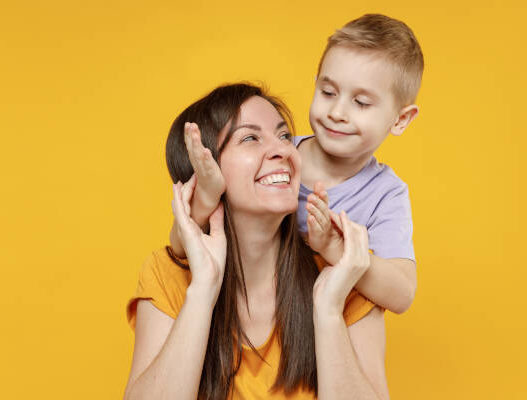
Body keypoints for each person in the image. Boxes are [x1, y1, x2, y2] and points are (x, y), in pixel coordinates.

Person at [125, 83, 389, 399]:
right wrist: (203, 290)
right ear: (203, 170)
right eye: (250, 138)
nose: (282, 149)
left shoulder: (344, 275)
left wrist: (329, 309)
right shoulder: (168, 276)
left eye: (282, 136)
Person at [168, 14, 423, 314]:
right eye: (328, 93)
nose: (337, 112)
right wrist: (207, 196)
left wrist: (333, 246)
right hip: (243, 316)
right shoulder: (275, 156)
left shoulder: (385, 194)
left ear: (401, 119)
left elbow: (402, 294)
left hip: (316, 335)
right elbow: (178, 248)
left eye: (361, 103)